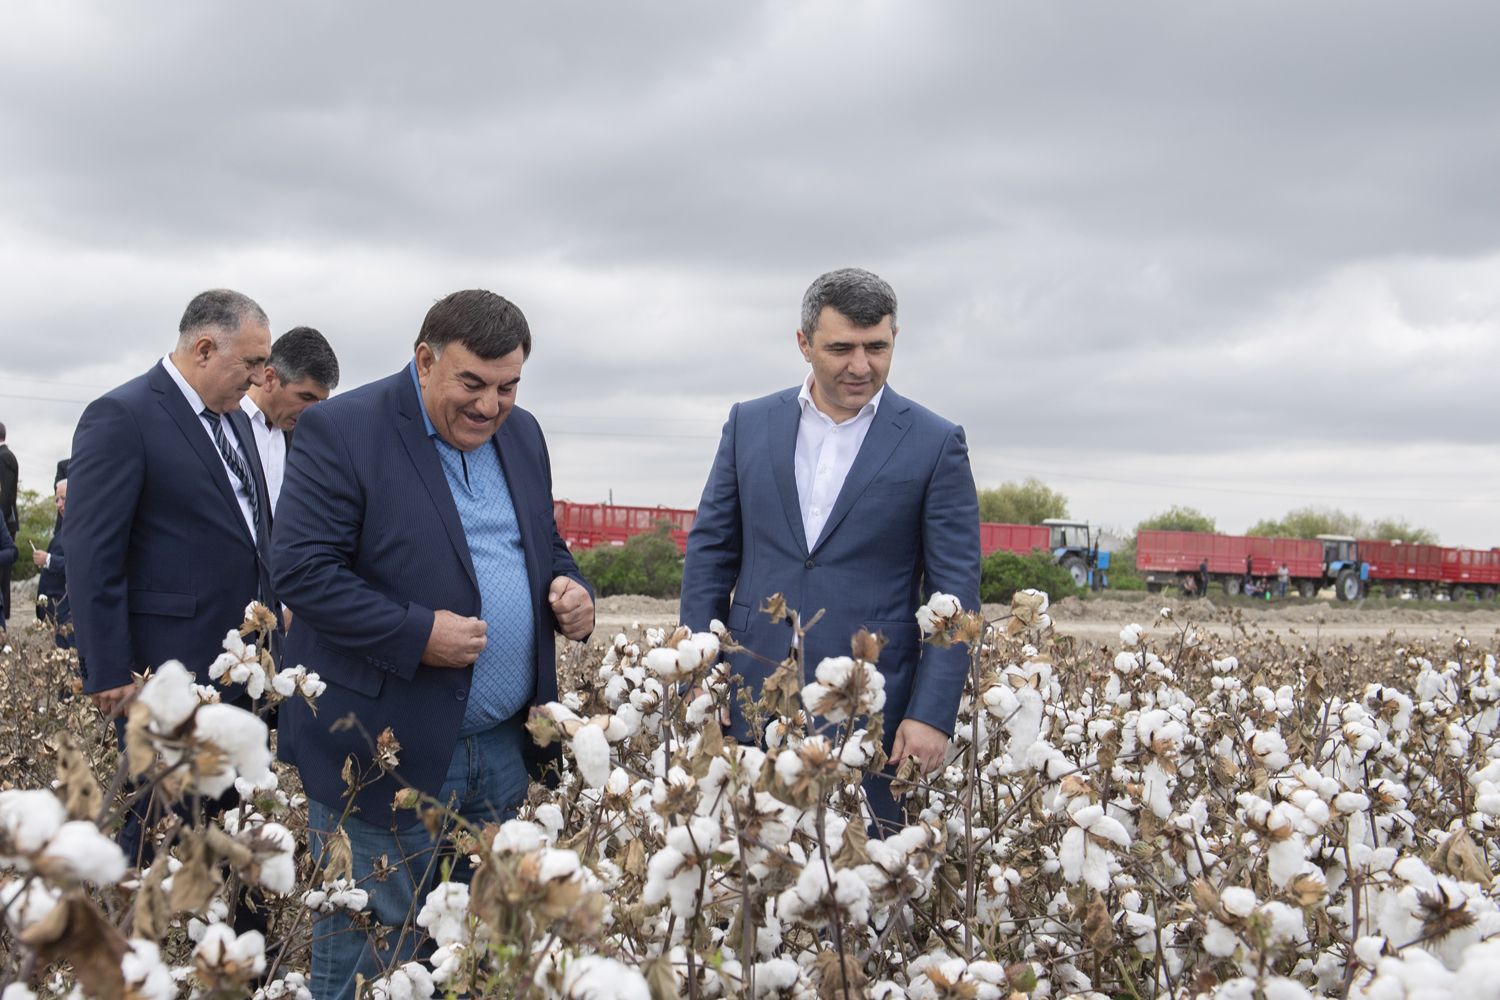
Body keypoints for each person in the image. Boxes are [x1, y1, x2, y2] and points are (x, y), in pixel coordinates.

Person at [271, 288, 593, 999]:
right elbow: (301, 568)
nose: (490, 407)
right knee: (374, 959)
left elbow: (539, 543)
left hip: (504, 750)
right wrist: (417, 634)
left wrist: (570, 590)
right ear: (424, 360)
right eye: (472, 384)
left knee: (478, 957)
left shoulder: (524, 432)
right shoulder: (343, 429)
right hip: (387, 750)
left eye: (508, 387)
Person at [680, 267, 981, 833]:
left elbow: (953, 596)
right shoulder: (749, 423)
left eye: (877, 347)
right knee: (743, 889)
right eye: (841, 348)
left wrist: (930, 714)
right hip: (749, 700)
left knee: (855, 897)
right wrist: (701, 675)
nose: (860, 366)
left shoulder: (936, 442)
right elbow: (711, 554)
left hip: (873, 717)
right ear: (803, 343)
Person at [67, 289, 277, 715]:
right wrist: (106, 667)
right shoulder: (123, 416)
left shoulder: (235, 417)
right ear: (204, 350)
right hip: (166, 670)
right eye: (251, 363)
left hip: (243, 672)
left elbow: (252, 533)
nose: (260, 377)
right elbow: (93, 552)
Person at [239, 326, 341, 514]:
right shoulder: (220, 423)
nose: (312, 410)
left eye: (320, 401)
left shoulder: (307, 441)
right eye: (305, 397)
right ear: (269, 379)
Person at [34, 479, 71, 645]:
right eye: (57, 499)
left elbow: (80, 565)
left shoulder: (82, 529)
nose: (59, 504)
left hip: (68, 613)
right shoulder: (64, 528)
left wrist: (48, 560)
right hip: (55, 612)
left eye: (64, 498)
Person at [0, 422, 17, 625]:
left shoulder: (3, 457)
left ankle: (3, 617)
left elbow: (5, 494)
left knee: (3, 574)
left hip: (5, 520)